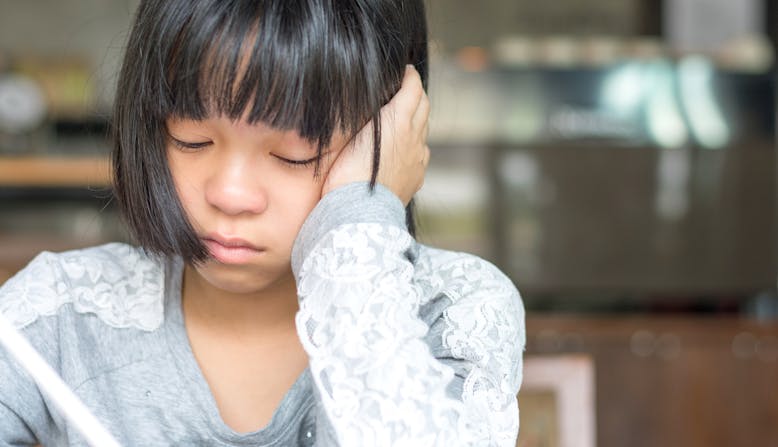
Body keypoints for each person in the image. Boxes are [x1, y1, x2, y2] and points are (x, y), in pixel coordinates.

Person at [0, 0, 526, 445]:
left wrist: (359, 222)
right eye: (191, 140)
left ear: (394, 131)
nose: (229, 194)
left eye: (294, 154)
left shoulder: (455, 312)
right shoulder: (56, 315)